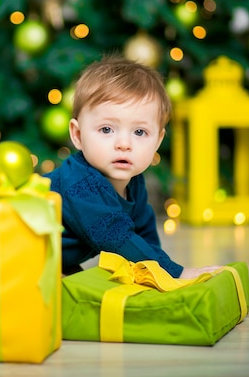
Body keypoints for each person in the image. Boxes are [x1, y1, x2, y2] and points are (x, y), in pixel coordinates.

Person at [44, 54, 218, 279]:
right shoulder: (80, 183)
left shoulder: (134, 183)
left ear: (157, 140)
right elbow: (115, 237)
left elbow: (143, 234)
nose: (124, 144)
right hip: (13, 245)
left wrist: (158, 274)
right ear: (77, 135)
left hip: (52, 257)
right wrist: (176, 273)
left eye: (139, 132)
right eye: (106, 129)